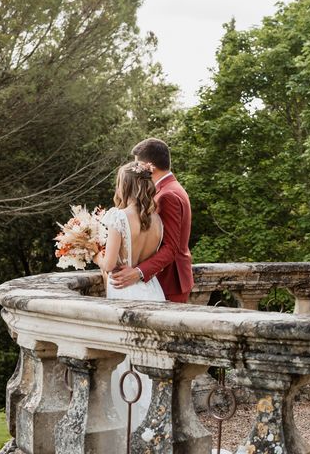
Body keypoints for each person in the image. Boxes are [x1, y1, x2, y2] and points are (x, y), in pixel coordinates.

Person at [94, 160, 164, 431]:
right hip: (152, 292)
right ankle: (152, 427)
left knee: (127, 363)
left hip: (125, 293)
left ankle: (129, 429)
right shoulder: (156, 220)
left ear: (125, 185)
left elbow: (110, 264)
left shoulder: (118, 216)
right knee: (150, 361)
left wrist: (94, 252)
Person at [110, 138, 194, 303]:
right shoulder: (170, 188)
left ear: (150, 166)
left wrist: (138, 272)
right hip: (164, 281)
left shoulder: (167, 195)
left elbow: (171, 247)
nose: (136, 171)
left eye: (137, 165)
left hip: (169, 282)